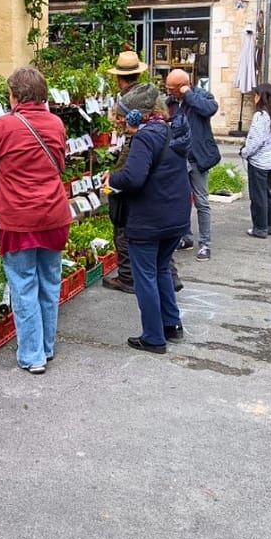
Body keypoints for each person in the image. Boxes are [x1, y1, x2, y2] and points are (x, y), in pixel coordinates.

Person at [0, 66, 71, 375]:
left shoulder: (3, 126)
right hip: (54, 214)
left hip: (18, 216)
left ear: (15, 96)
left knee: (23, 284)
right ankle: (46, 346)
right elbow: (60, 162)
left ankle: (32, 354)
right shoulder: (56, 123)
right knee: (49, 280)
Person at [104, 95, 191, 355]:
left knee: (145, 277)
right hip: (176, 215)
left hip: (150, 219)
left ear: (136, 115)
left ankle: (153, 337)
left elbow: (133, 177)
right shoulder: (170, 129)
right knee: (162, 268)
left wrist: (112, 178)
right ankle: (172, 324)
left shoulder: (144, 137)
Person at [101, 49, 151, 294]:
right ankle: (146, 273)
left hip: (129, 165)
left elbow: (122, 132)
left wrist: (114, 177)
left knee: (121, 222)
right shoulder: (150, 95)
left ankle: (127, 277)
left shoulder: (125, 101)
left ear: (120, 78)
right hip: (148, 167)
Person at [165, 68, 220, 262]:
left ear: (183, 86)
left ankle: (205, 243)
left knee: (202, 201)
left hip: (197, 157)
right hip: (178, 158)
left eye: (172, 88)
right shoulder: (170, 102)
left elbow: (210, 109)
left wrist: (188, 94)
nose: (168, 91)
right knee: (181, 200)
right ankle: (185, 237)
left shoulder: (201, 96)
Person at [239, 83, 271, 238]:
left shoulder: (260, 116)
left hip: (259, 162)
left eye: (256, 95)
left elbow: (255, 140)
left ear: (261, 97)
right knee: (267, 193)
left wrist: (244, 152)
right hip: (270, 161)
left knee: (258, 196)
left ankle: (260, 227)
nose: (254, 98)